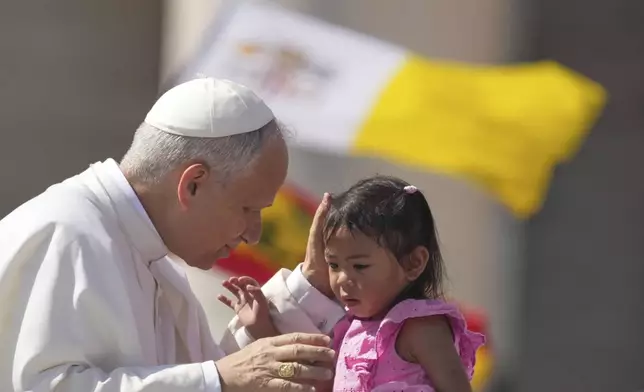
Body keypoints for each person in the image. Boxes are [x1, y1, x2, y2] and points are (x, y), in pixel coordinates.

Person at [0, 77, 340, 392]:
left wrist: (308, 285)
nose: (253, 235)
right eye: (248, 208)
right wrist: (216, 380)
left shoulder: (154, 257)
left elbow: (208, 371)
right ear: (192, 184)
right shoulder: (65, 234)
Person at [219, 176, 486, 391]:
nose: (343, 280)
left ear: (413, 263)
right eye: (334, 265)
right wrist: (261, 327)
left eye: (360, 266)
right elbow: (312, 384)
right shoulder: (346, 328)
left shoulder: (420, 327)